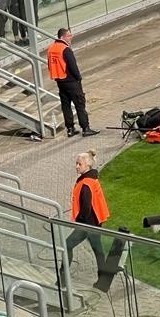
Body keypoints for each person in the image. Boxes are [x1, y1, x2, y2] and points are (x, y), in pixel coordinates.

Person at [64, 149, 112, 291]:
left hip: (88, 223)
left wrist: (79, 223)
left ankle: (62, 279)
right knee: (98, 250)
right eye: (76, 163)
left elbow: (86, 208)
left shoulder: (85, 184)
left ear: (87, 166)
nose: (76, 166)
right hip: (95, 221)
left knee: (67, 246)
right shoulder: (91, 180)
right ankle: (104, 280)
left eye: (79, 164)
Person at [47, 27, 99, 137]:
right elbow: (73, 66)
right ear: (62, 37)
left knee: (66, 106)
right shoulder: (65, 49)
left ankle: (70, 129)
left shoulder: (51, 48)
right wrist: (78, 78)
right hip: (71, 81)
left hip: (60, 81)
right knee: (80, 104)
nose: (71, 38)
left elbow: (49, 65)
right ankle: (85, 128)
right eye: (69, 36)